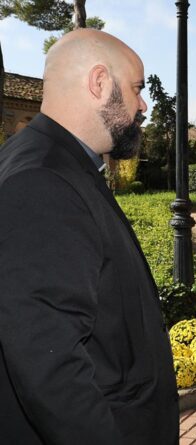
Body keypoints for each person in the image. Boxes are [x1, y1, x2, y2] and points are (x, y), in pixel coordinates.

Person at [0, 29, 178, 444]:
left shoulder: (49, 163)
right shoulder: (42, 180)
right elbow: (50, 369)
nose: (142, 105)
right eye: (136, 89)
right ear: (99, 83)